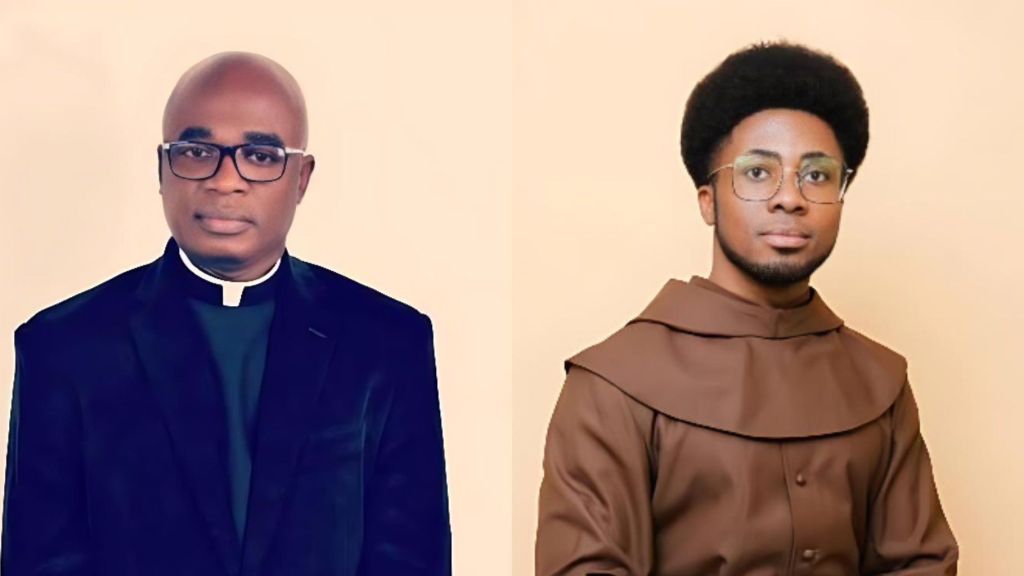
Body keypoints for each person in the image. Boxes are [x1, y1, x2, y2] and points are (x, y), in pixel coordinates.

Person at [2, 52, 450, 576]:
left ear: (301, 179)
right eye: (196, 151)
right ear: (162, 169)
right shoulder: (65, 348)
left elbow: (411, 559)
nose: (225, 181)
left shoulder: (386, 343)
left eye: (260, 156)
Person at [535, 42, 958, 575]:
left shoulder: (881, 381)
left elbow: (921, 564)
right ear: (708, 200)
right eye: (758, 173)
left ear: (841, 199)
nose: (790, 197)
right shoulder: (611, 384)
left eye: (817, 174)